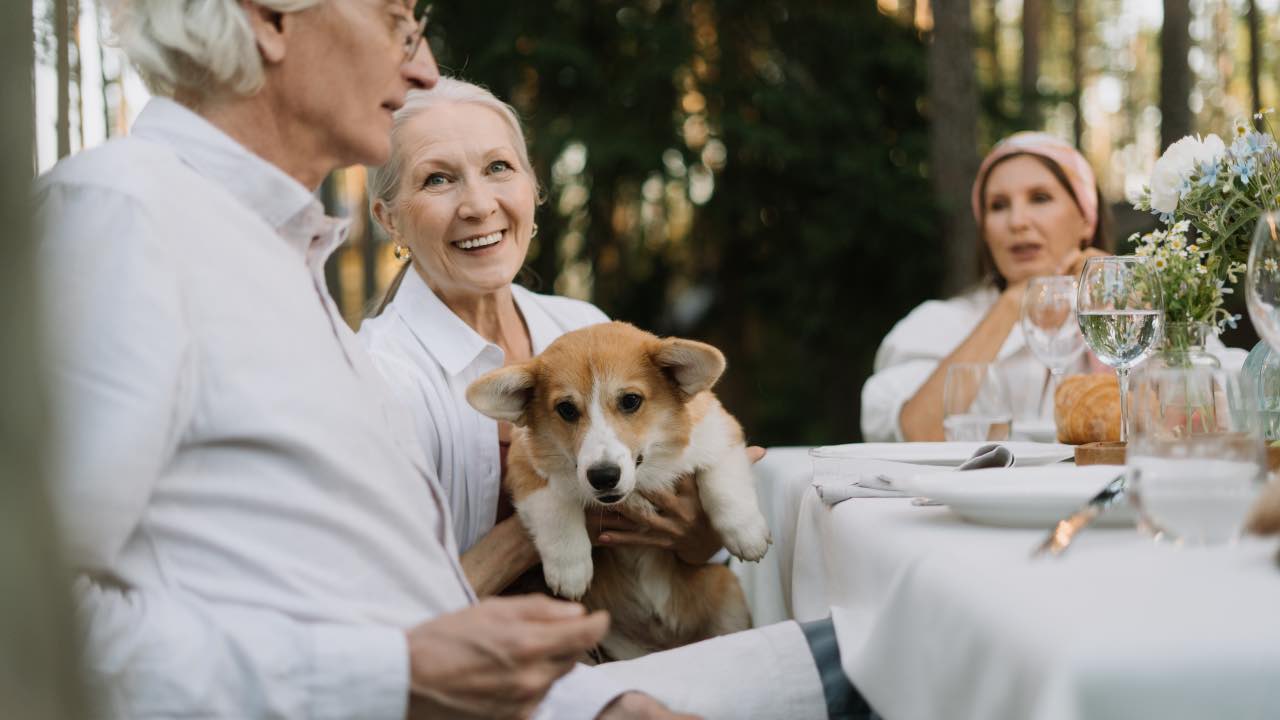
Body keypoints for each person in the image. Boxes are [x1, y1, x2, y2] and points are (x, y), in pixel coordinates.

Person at [36, 1, 853, 718]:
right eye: (397, 20)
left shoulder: (279, 265)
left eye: (500, 167)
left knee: (888, 639)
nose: (422, 66)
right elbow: (35, 612)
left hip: (560, 692)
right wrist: (395, 674)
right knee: (890, 656)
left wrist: (600, 703)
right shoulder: (123, 216)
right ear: (271, 18)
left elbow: (385, 605)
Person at [357, 78, 726, 597]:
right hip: (488, 649)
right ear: (389, 219)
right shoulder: (375, 377)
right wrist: (538, 530)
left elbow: (701, 547)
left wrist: (699, 535)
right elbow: (381, 611)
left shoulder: (583, 325)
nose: (479, 205)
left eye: (498, 168)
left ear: (532, 189)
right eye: (438, 179)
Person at [861, 132, 1111, 442]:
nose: (1017, 222)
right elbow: (918, 433)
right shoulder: (938, 324)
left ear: (1086, 218)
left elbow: (1162, 429)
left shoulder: (1129, 320)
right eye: (998, 205)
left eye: (1040, 198)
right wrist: (1012, 305)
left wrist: (1120, 299)